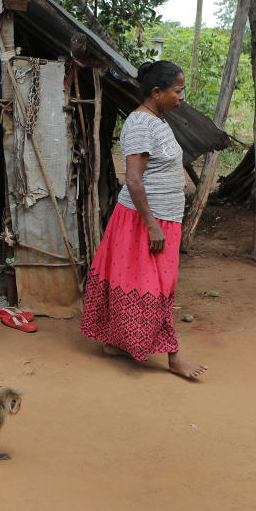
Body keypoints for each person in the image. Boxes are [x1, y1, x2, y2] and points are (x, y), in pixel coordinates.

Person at [79, 60, 207, 379]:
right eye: (177, 91)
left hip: (163, 218)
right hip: (145, 219)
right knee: (158, 286)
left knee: (140, 283)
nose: (181, 97)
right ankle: (174, 357)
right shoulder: (140, 124)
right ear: (156, 92)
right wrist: (151, 225)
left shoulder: (159, 121)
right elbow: (134, 180)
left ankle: (117, 343)